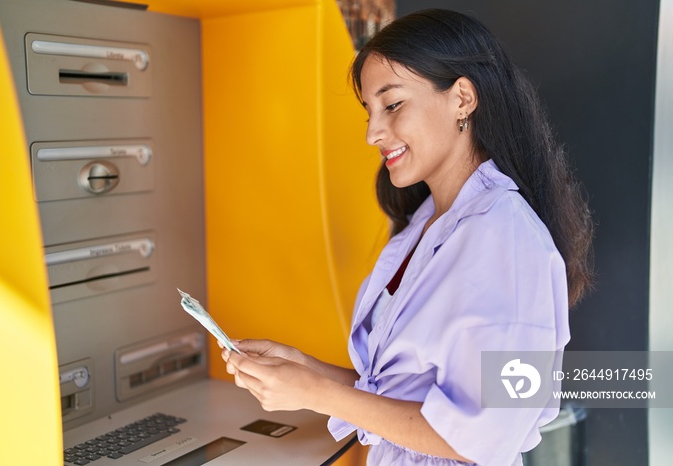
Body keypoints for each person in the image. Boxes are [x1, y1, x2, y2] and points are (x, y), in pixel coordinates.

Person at [221, 8, 594, 466]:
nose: (373, 133)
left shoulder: (507, 239)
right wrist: (303, 370)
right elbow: (405, 394)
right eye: (369, 112)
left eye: (392, 104)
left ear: (462, 99)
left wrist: (316, 393)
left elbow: (486, 435)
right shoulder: (423, 222)